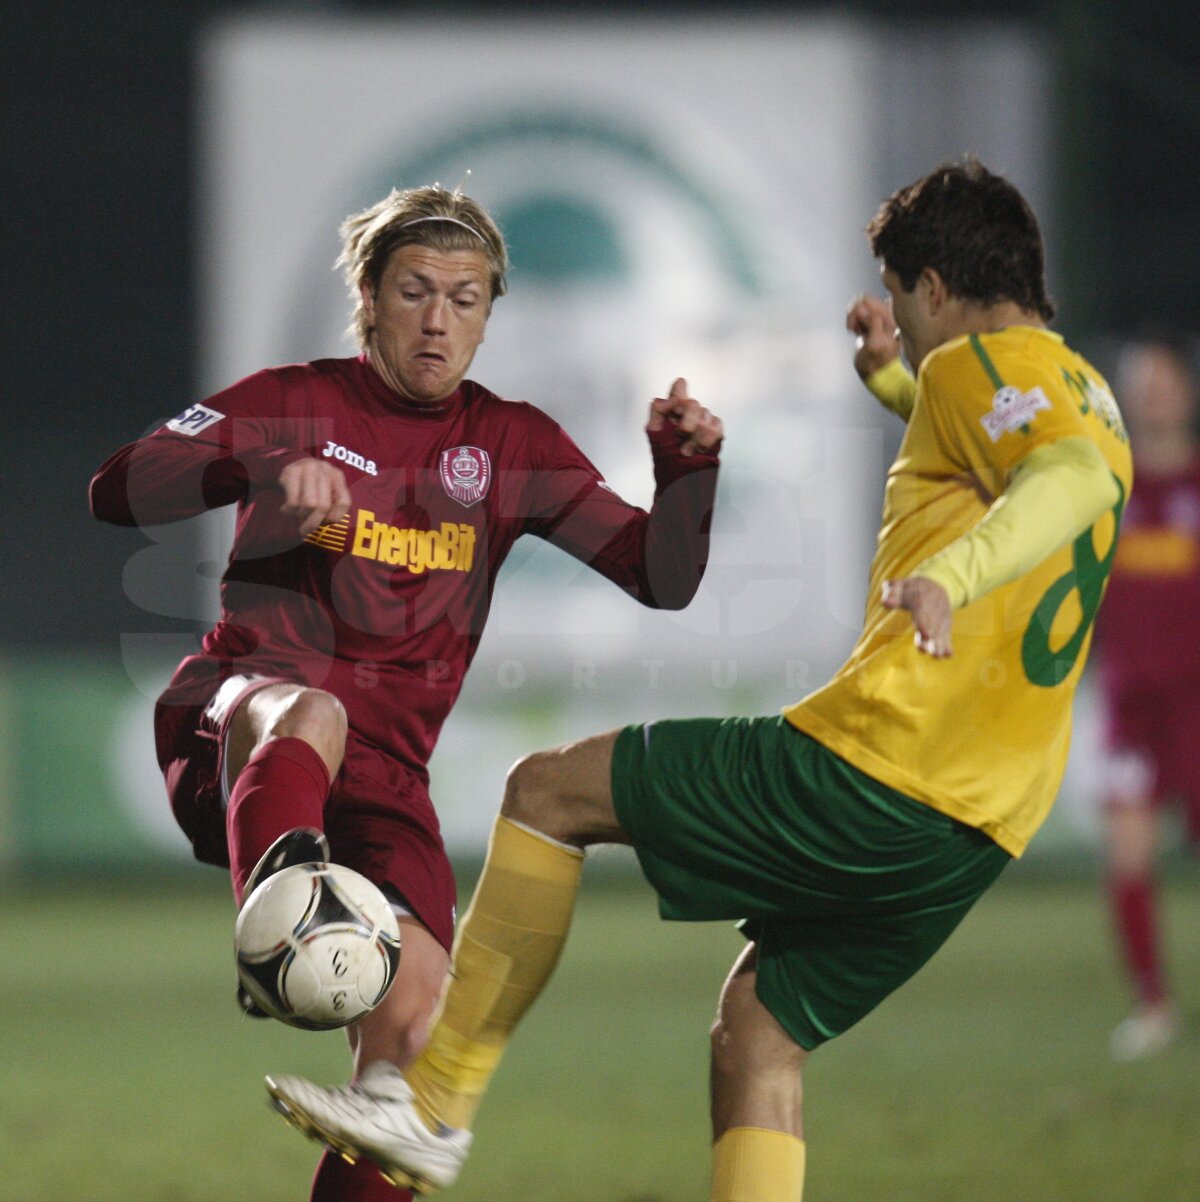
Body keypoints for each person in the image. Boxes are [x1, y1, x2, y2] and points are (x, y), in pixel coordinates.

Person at [262, 159, 1134, 1200]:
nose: (906, 324)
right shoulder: (1088, 393)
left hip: (880, 766)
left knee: (547, 792)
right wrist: (889, 384)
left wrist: (951, 569)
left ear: (935, 289)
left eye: (906, 302)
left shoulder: (974, 366)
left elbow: (1060, 480)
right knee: (757, 1037)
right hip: (979, 826)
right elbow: (1056, 455)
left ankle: (430, 1105)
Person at [89, 183, 724, 1202]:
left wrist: (688, 468)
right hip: (240, 720)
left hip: (387, 778)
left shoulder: (512, 445)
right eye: (415, 291)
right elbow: (119, 486)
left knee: (408, 1066)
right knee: (314, 709)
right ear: (371, 299)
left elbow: (662, 575)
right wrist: (266, 461)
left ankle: (323, 985)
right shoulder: (299, 399)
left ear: (488, 311)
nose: (439, 318)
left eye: (465, 298)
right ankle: (278, 919)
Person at [1091, 332, 1199, 1061]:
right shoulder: (1104, 489)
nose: (1156, 394)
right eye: (1144, 383)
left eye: (1166, 381)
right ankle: (1154, 1007)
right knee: (1128, 855)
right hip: (1132, 705)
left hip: (1197, 702)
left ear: (1185, 392)